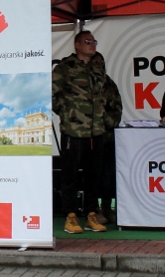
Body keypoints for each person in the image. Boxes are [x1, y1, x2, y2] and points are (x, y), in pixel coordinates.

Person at [52, 30, 123, 235]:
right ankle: (71, 216)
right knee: (70, 176)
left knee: (94, 176)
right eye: (88, 41)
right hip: (74, 131)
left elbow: (105, 97)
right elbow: (52, 95)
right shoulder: (64, 68)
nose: (93, 45)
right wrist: (68, 114)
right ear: (77, 44)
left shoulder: (97, 69)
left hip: (96, 132)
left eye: (94, 41)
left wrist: (102, 118)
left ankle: (92, 214)